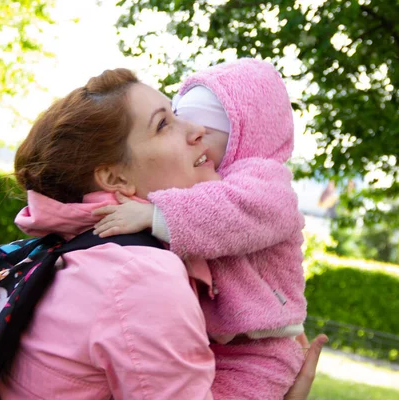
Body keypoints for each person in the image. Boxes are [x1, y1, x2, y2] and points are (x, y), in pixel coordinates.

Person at [0, 67, 326, 399]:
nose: (198, 130)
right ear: (115, 179)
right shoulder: (141, 273)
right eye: (164, 124)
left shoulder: (79, 248)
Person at [92, 59, 307, 399]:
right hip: (215, 341)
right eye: (180, 124)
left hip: (262, 349)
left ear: (242, 136)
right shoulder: (209, 182)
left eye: (206, 133)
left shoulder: (266, 182)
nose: (193, 138)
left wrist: (156, 215)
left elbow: (232, 214)